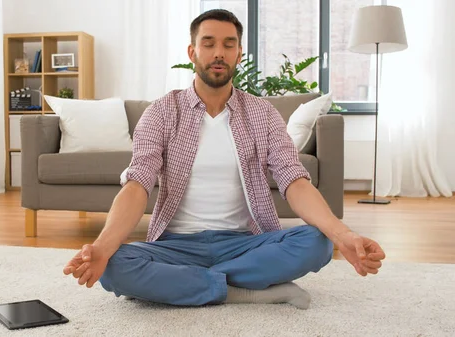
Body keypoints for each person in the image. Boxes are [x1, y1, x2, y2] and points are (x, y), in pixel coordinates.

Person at [63, 9, 386, 309]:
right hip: (177, 245)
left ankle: (187, 286)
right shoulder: (161, 112)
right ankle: (244, 290)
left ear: (238, 55)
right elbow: (137, 185)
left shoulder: (263, 113)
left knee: (318, 242)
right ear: (192, 52)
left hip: (243, 244)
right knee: (114, 265)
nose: (219, 52)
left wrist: (344, 235)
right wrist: (102, 248)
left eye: (228, 45)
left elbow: (294, 179)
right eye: (209, 43)